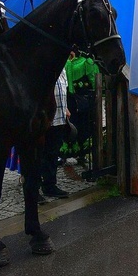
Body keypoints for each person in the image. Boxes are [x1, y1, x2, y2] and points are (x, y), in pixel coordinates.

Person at [40, 68, 71, 198]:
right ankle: (33, 189)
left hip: (59, 118)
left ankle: (49, 185)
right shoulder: (44, 69)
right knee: (38, 155)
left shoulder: (62, 70)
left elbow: (64, 91)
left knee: (52, 154)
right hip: (44, 120)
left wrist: (66, 108)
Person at [65, 51, 99, 165]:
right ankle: (64, 154)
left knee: (83, 125)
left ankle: (82, 153)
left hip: (82, 99)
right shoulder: (64, 61)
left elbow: (94, 80)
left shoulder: (86, 61)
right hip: (67, 99)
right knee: (66, 125)